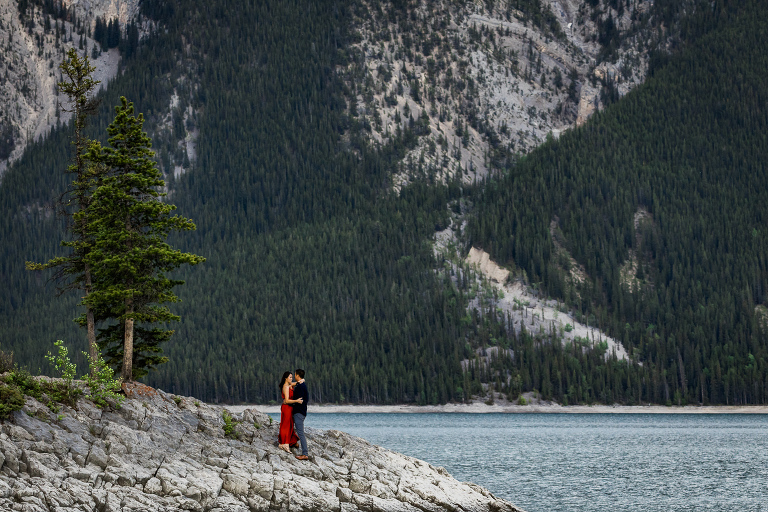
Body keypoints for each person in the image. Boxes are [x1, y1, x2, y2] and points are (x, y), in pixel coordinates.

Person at [277, 371, 302, 453]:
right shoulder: (286, 387)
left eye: (292, 377)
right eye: (290, 377)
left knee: (291, 425)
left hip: (290, 408)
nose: (292, 379)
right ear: (286, 378)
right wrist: (297, 401)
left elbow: (295, 383)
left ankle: (287, 442)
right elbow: (287, 401)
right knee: (286, 426)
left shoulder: (289, 385)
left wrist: (300, 381)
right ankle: (285, 444)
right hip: (287, 408)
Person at [292, 368, 309, 460]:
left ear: (298, 376)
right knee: (292, 427)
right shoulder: (302, 385)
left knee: (301, 433)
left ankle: (305, 454)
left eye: (295, 375)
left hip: (299, 412)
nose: (294, 376)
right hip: (300, 412)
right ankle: (293, 442)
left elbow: (301, 400)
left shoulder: (301, 387)